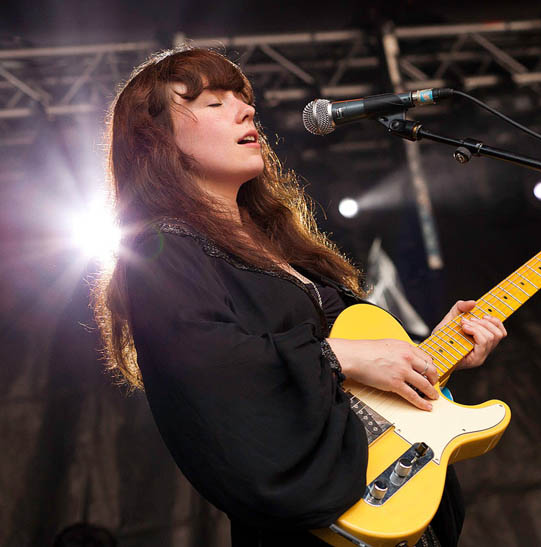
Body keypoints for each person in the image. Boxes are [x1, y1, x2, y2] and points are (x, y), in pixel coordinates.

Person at [92, 47, 506, 546]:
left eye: (242, 99)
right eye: (213, 104)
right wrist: (337, 355)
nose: (246, 110)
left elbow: (346, 391)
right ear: (156, 140)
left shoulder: (282, 244)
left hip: (388, 501)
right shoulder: (161, 248)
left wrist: (427, 356)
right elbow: (204, 363)